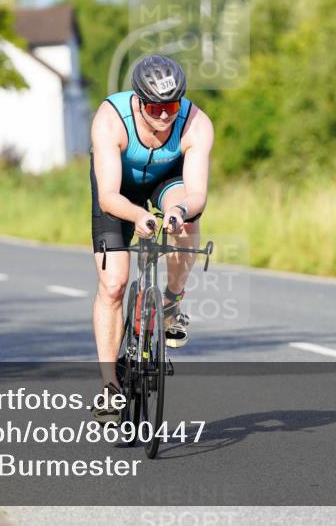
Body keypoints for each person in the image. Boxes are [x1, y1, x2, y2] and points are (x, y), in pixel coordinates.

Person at [89, 54, 214, 423]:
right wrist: (139, 215)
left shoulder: (196, 123)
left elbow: (197, 195)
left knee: (187, 222)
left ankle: (173, 303)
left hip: (167, 181)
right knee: (113, 285)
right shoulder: (111, 119)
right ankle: (110, 387)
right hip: (118, 189)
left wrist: (175, 213)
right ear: (139, 100)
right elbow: (108, 197)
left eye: (172, 106)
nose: (164, 116)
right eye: (155, 107)